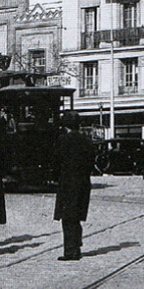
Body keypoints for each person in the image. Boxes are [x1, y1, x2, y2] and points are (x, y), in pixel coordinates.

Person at [53, 111, 96, 261]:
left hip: (68, 182)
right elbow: (92, 161)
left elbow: (56, 161)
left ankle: (70, 251)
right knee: (76, 216)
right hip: (83, 181)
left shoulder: (63, 140)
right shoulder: (86, 140)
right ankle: (76, 246)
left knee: (68, 217)